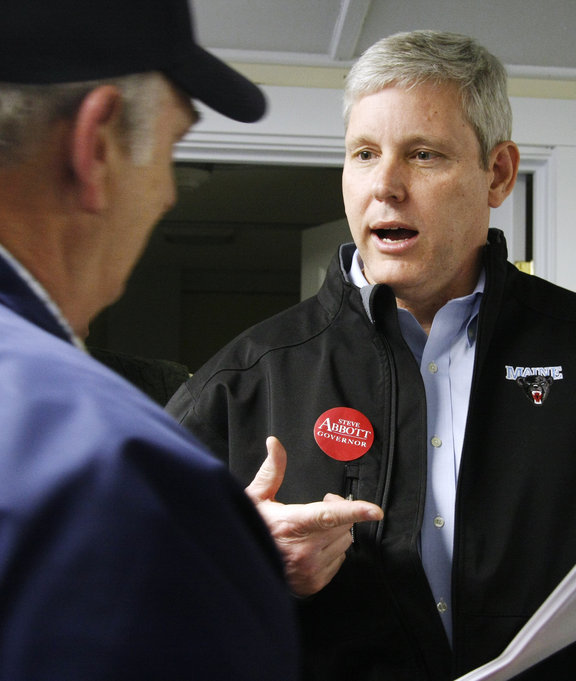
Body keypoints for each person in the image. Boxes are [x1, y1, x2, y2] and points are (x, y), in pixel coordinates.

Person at [167, 30, 576, 680]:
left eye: (423, 155)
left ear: (499, 174)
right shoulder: (241, 381)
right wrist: (246, 568)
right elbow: (134, 589)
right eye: (364, 153)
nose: (386, 185)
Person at [0, 1, 381, 678]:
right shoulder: (125, 477)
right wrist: (210, 552)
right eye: (172, 149)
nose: (170, 193)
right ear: (94, 147)